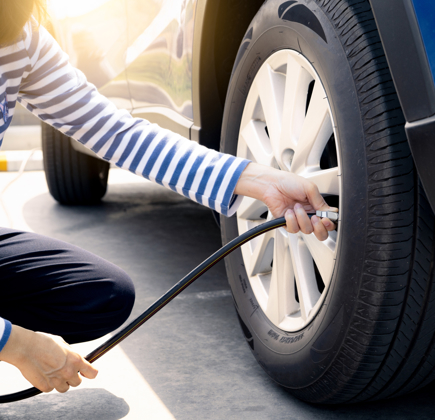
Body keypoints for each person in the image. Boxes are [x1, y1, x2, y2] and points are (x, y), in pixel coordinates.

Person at [0, 0, 336, 394]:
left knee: (104, 296)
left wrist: (256, 179)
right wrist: (17, 344)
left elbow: (111, 131)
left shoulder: (17, 37)